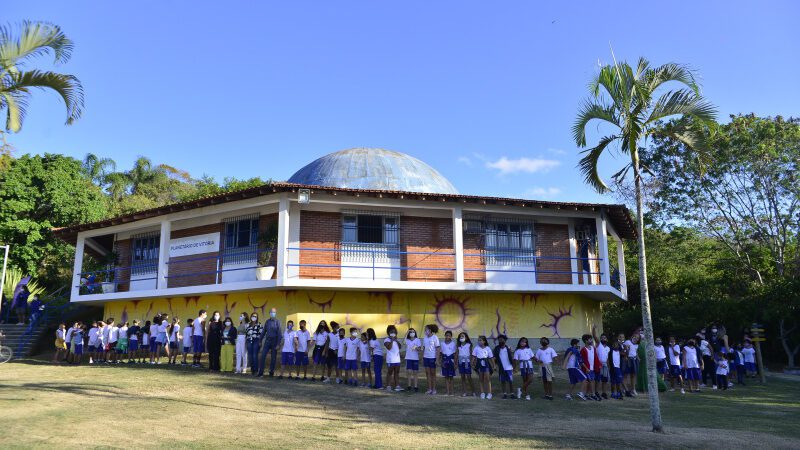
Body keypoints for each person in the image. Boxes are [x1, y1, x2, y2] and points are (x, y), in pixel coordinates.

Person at [258, 307, 281, 377]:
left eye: (274, 312)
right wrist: (260, 340)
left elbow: (279, 334)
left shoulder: (278, 322)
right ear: (269, 313)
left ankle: (271, 372)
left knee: (273, 358)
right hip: (267, 341)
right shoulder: (267, 322)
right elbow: (263, 331)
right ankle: (261, 372)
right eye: (271, 312)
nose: (272, 313)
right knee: (263, 356)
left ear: (275, 313)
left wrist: (278, 344)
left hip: (274, 341)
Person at [580, 334, 601, 401]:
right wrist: (586, 368)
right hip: (587, 369)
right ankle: (593, 395)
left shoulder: (593, 348)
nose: (591, 340)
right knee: (591, 381)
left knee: (591, 381)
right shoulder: (583, 350)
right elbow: (581, 361)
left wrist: (598, 365)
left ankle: (587, 394)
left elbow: (595, 357)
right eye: (590, 339)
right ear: (586, 341)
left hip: (593, 368)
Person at [472, 335, 493, 399]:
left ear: (484, 341)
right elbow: (474, 356)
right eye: (478, 340)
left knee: (487, 378)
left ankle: (489, 393)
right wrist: (472, 363)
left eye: (480, 340)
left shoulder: (488, 348)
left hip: (486, 363)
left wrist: (494, 365)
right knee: (481, 378)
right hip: (479, 364)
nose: (479, 341)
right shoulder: (476, 348)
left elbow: (491, 357)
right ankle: (482, 392)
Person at [493, 334, 515, 399]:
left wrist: (512, 352)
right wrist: (495, 366)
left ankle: (512, 394)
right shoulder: (496, 348)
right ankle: (504, 394)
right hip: (501, 367)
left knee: (510, 381)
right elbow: (494, 358)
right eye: (499, 340)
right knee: (503, 381)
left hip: (509, 367)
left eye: (502, 339)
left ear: (505, 340)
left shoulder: (508, 348)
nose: (500, 341)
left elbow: (512, 357)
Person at [422, 324, 440, 395]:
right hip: (426, 358)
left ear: (430, 330)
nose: (425, 331)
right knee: (427, 374)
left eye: (426, 329)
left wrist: (437, 359)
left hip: (432, 358)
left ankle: (434, 389)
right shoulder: (425, 338)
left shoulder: (435, 337)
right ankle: (429, 389)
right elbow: (423, 347)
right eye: (425, 330)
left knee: (433, 374)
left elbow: (438, 348)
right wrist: (422, 356)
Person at [384, 325, 402, 392]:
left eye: (394, 331)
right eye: (391, 332)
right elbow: (389, 347)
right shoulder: (386, 340)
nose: (393, 333)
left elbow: (400, 347)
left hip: (397, 359)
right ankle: (388, 386)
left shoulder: (397, 339)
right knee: (390, 373)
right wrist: (391, 340)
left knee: (397, 373)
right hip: (390, 360)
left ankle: (397, 386)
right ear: (388, 332)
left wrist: (396, 340)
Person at [457, 332, 475, 397]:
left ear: (466, 338)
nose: (461, 338)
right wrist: (456, 363)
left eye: (463, 336)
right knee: (462, 377)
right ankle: (465, 392)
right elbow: (457, 354)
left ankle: (473, 392)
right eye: (460, 337)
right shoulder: (458, 346)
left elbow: (471, 353)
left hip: (467, 362)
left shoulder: (469, 345)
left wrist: (472, 362)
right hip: (461, 362)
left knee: (469, 377)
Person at [404, 327, 421, 392]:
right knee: (409, 372)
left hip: (415, 358)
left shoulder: (417, 340)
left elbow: (420, 349)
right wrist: (407, 332)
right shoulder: (407, 340)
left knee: (415, 372)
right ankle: (409, 386)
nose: (412, 333)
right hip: (408, 358)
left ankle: (415, 386)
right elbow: (403, 342)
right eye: (410, 332)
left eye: (413, 332)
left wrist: (416, 348)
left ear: (415, 333)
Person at [440, 330, 457, 396]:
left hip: (451, 361)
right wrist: (441, 362)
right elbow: (441, 354)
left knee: (451, 377)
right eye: (446, 335)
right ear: (445, 336)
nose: (447, 337)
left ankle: (452, 392)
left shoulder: (453, 344)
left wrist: (455, 363)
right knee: (446, 377)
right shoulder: (442, 344)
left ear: (451, 337)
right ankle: (447, 392)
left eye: (449, 336)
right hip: (444, 361)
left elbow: (455, 354)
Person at [595, 334, 610, 399]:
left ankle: (604, 393)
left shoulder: (608, 348)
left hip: (605, 365)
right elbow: (595, 336)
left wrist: (608, 366)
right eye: (602, 338)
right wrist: (593, 329)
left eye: (605, 338)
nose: (603, 339)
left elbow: (607, 358)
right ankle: (596, 392)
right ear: (600, 339)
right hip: (599, 364)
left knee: (605, 380)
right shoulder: (599, 345)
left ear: (607, 339)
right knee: (598, 379)